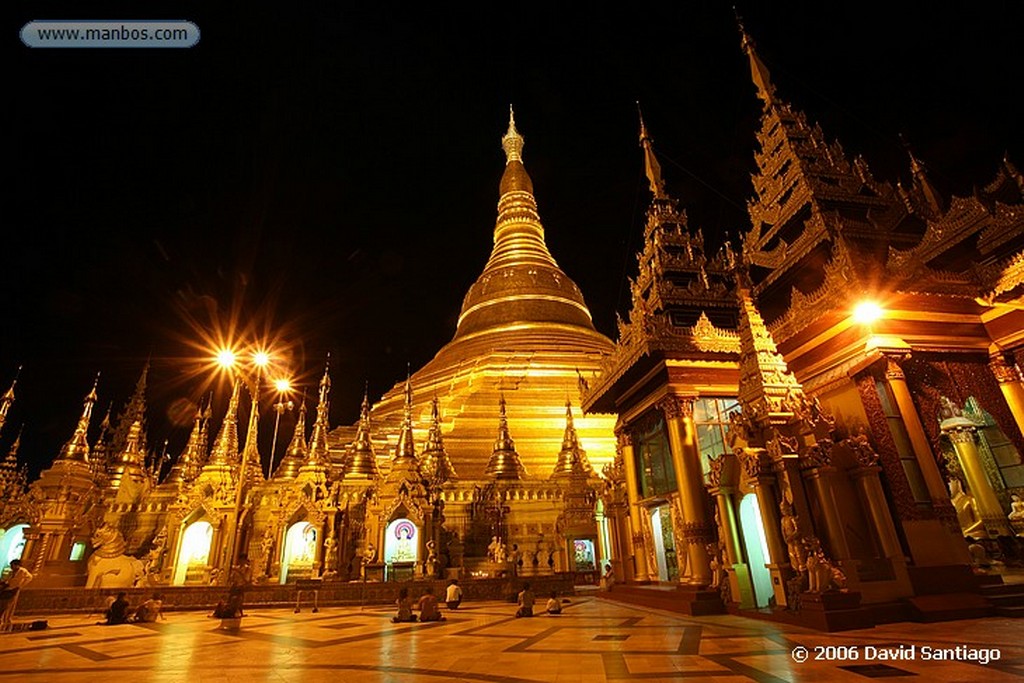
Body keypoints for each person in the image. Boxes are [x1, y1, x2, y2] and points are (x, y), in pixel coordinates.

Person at [0, 559, 34, 632]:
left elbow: (30, 577)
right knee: (5, 604)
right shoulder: (13, 572)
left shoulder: (22, 571)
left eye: (12, 565)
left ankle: (7, 619)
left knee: (9, 605)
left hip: (13, 590)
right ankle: (4, 619)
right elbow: (9, 580)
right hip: (8, 589)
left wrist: (20, 586)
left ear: (16, 565)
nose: (11, 567)